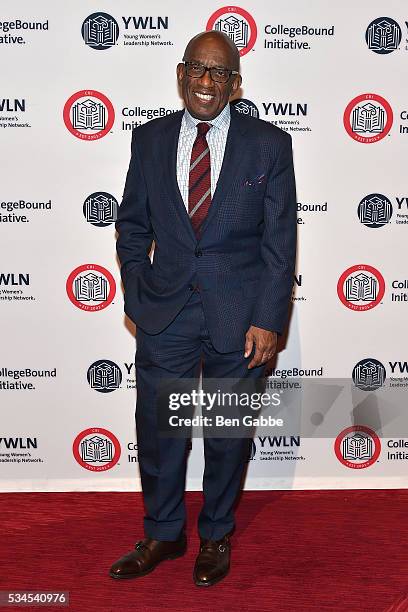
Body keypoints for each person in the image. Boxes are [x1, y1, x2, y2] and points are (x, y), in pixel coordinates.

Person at [110, 30, 297, 587]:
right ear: (181, 73)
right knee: (161, 429)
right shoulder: (148, 140)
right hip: (164, 312)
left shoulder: (269, 144)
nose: (206, 81)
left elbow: (279, 242)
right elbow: (131, 227)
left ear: (235, 83)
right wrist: (139, 288)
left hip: (239, 318)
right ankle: (163, 532)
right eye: (197, 68)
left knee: (226, 432)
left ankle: (215, 534)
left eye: (219, 72)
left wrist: (268, 318)